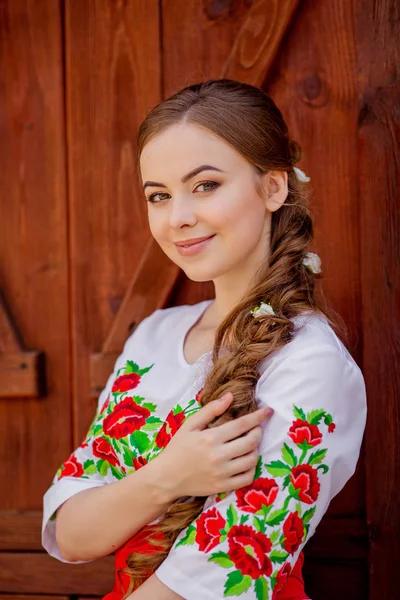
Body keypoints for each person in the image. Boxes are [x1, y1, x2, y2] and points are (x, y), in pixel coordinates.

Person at [42, 79, 367, 600]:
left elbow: (218, 579)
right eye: (159, 195)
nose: (179, 217)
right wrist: (167, 477)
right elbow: (72, 535)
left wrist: (136, 492)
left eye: (206, 185)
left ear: (273, 188)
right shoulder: (153, 337)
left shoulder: (309, 363)